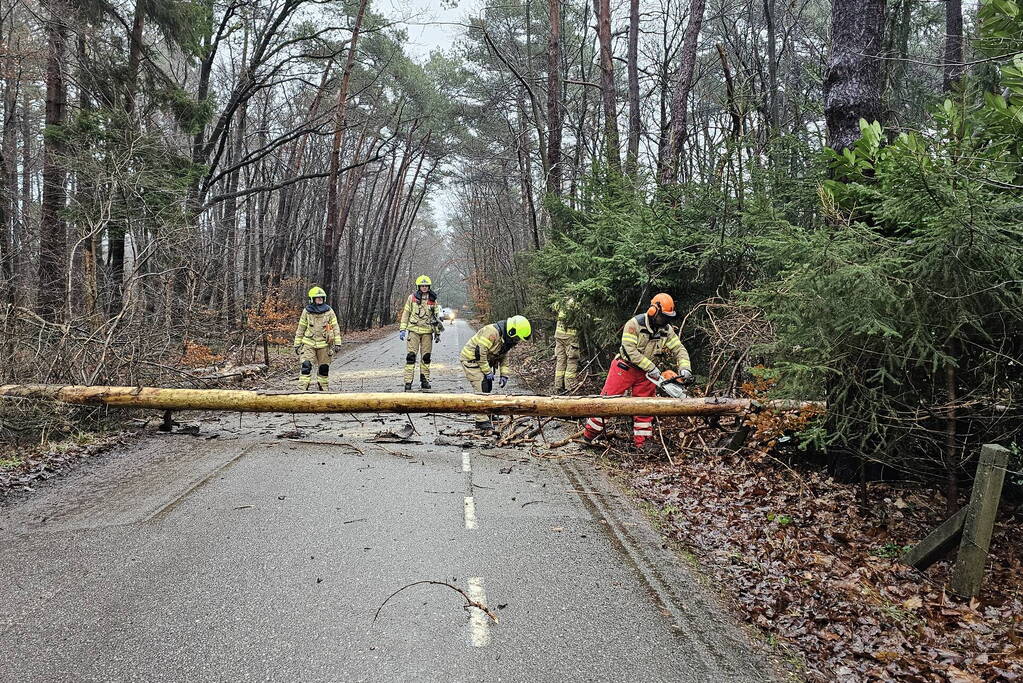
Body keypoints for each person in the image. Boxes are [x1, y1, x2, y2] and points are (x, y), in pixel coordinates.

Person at [581, 293, 692, 451]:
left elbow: (679, 348)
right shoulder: (634, 324)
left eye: (668, 318)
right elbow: (630, 350)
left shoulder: (666, 330)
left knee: (645, 409)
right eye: (663, 317)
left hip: (647, 375)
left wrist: (685, 367)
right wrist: (651, 367)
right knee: (606, 403)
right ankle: (589, 436)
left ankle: (643, 443)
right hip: (624, 368)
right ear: (653, 311)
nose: (666, 321)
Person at [460, 315, 532, 433]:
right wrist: (487, 371)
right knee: (481, 386)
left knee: (488, 387)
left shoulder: (506, 339)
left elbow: (504, 356)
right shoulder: (492, 332)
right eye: (517, 338)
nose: (517, 341)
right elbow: (480, 352)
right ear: (512, 331)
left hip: (483, 361)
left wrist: (504, 374)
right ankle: (481, 420)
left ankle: (487, 411)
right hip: (471, 360)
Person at [292, 286, 342, 391]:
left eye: (321, 298)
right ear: (312, 299)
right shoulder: (306, 311)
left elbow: (335, 327)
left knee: (324, 368)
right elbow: (301, 328)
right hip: (308, 343)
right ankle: (302, 388)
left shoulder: (329, 311)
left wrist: (337, 343)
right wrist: (297, 344)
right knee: (306, 366)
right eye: (317, 298)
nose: (320, 300)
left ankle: (323, 388)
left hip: (324, 344)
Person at [399, 275, 442, 391]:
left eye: (426, 285)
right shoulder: (411, 298)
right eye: (422, 285)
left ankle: (425, 381)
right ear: (418, 286)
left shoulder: (433, 300)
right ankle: (408, 382)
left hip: (427, 332)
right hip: (413, 331)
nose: (424, 287)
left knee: (426, 357)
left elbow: (437, 318)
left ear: (429, 286)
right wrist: (402, 329)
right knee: (411, 357)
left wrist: (437, 333)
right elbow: (406, 313)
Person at [553, 296, 580, 394]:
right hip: (570, 337)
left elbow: (555, 308)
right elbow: (582, 316)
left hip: (559, 335)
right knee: (572, 361)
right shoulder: (575, 303)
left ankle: (558, 386)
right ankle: (570, 387)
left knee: (561, 361)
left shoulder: (561, 300)